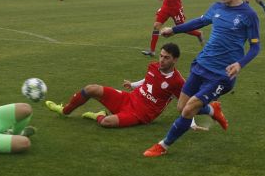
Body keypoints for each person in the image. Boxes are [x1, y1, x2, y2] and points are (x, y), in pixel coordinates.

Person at [143, 0, 261, 157]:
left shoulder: (249, 15)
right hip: (201, 65)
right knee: (182, 107)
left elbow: (255, 48)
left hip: (222, 74)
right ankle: (212, 110)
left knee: (189, 108)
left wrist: (239, 64)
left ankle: (163, 146)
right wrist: (174, 29)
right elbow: (199, 22)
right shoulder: (216, 7)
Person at [45, 43, 217, 129]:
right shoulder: (153, 67)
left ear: (175, 60)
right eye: (161, 56)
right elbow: (148, 80)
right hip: (129, 98)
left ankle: (97, 115)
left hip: (140, 114)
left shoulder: (177, 81)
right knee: (91, 88)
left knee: (106, 122)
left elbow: (186, 104)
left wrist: (192, 123)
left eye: (166, 58)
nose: (161, 60)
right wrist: (132, 84)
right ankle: (64, 110)